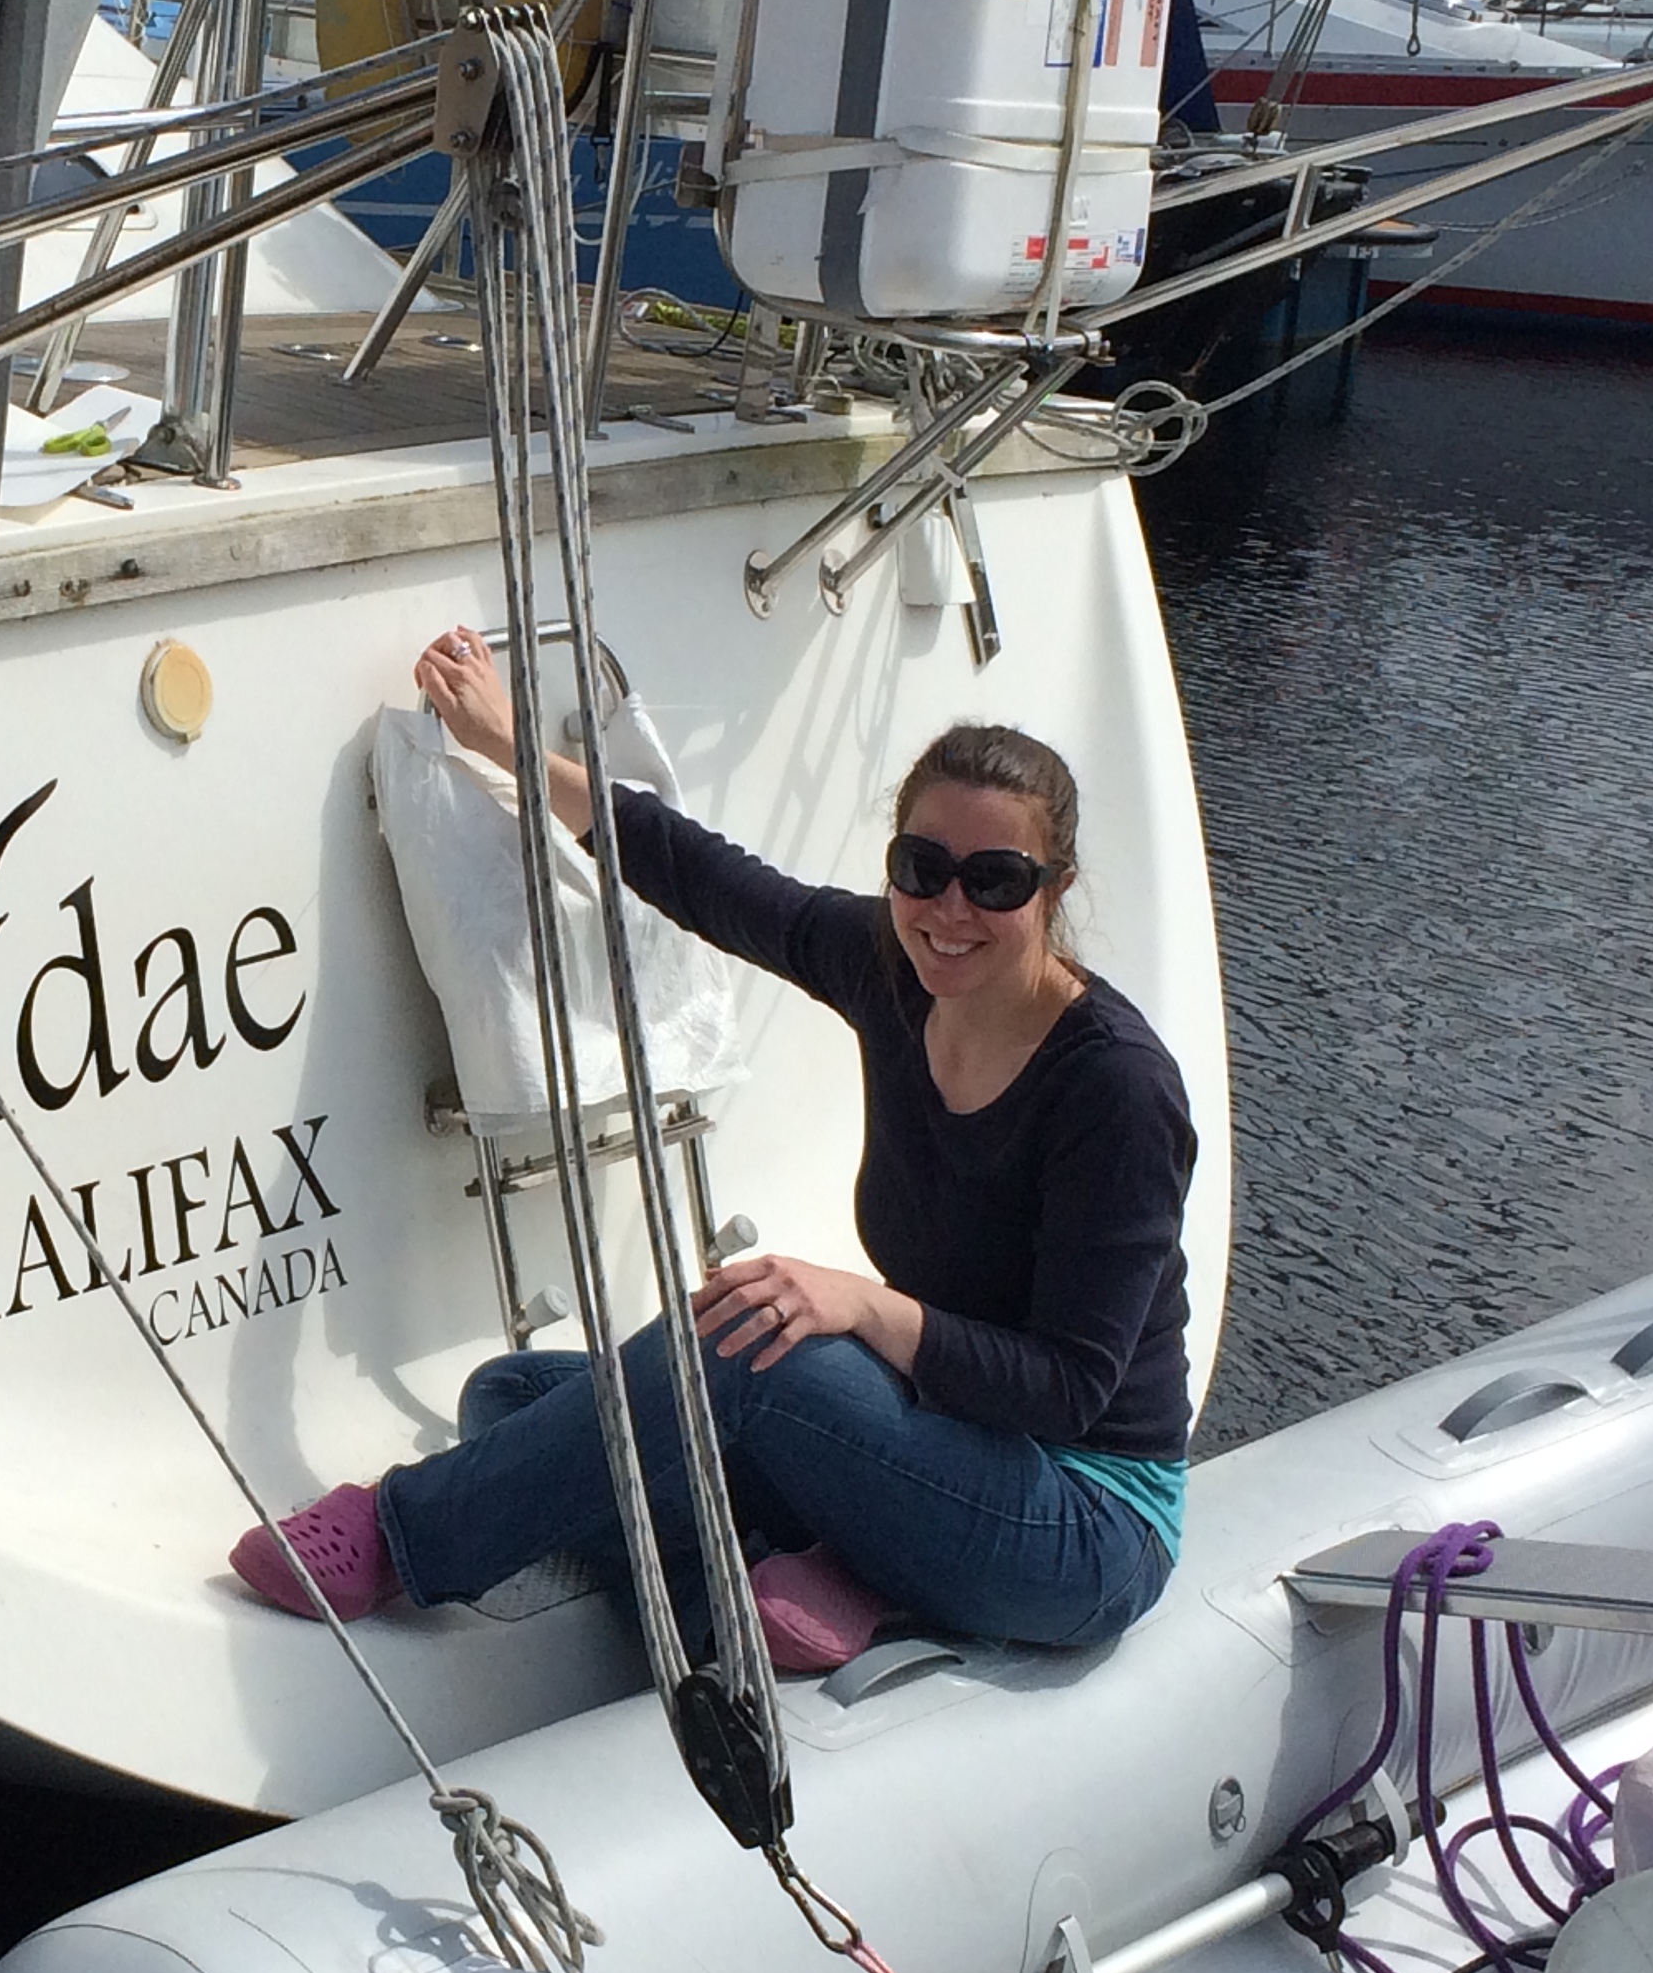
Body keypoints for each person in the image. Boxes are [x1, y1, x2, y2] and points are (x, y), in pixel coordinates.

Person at [230, 629, 1197, 1669]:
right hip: (944, 1436)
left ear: (1056, 888)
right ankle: (767, 1592)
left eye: (995, 880)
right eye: (922, 870)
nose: (949, 909)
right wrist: (507, 742)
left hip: (1081, 1520)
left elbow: (1068, 1390)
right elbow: (701, 875)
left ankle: (400, 1537)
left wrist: (866, 1306)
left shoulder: (1114, 1088)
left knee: (744, 1355)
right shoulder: (891, 969)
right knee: (511, 1399)